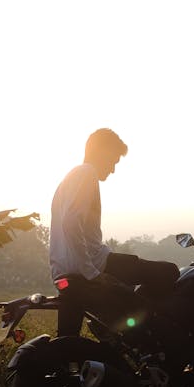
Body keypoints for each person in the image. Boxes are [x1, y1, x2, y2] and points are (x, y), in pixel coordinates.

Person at [49, 128, 179, 337]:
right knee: (169, 272)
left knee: (66, 342)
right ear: (102, 152)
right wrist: (92, 273)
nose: (113, 169)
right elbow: (71, 223)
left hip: (62, 275)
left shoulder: (67, 180)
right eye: (113, 161)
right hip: (96, 265)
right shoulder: (86, 173)